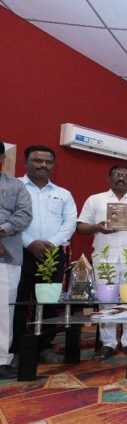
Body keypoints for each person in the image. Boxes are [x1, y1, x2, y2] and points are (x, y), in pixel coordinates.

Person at [77, 165, 127, 359]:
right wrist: (97, 227)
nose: (121, 178)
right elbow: (80, 227)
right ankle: (108, 343)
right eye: (117, 175)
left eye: (126, 176)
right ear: (108, 178)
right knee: (106, 301)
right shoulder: (95, 200)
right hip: (105, 256)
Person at [12, 145, 77, 366]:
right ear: (25, 162)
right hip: (19, 252)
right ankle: (16, 349)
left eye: (48, 162)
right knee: (19, 301)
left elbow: (69, 223)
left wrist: (51, 244)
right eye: (37, 160)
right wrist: (29, 243)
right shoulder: (14, 188)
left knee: (49, 302)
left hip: (52, 255)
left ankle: (44, 347)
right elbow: (7, 219)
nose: (43, 165)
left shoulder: (63, 194)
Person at [0, 142, 33, 379]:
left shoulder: (16, 186)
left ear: (2, 157)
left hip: (6, 256)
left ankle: (2, 359)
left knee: (3, 309)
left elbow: (24, 215)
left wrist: (2, 230)